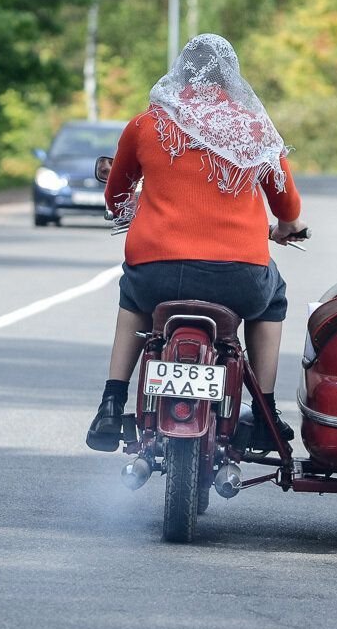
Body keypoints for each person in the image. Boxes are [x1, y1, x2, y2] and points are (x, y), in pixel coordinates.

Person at [86, 33, 308, 453]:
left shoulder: (146, 124)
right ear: (231, 79)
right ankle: (265, 413)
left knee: (132, 298)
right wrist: (288, 226)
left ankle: (111, 403)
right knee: (273, 296)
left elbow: (116, 194)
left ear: (180, 71)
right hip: (238, 278)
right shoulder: (253, 128)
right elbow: (286, 200)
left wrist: (129, 207)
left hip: (157, 275)